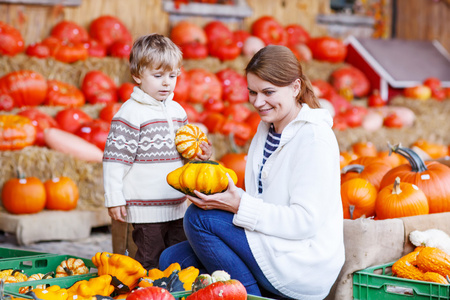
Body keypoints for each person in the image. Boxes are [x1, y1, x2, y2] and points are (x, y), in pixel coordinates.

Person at [159, 45, 345, 299]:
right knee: (172, 259)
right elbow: (262, 196)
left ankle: (251, 295)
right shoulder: (267, 128)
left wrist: (239, 206)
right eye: (252, 92)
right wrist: (209, 166)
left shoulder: (314, 138)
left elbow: (304, 221)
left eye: (268, 92)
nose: (258, 102)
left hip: (301, 260)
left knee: (198, 219)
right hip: (272, 240)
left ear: (295, 88)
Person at [102, 33, 212, 270]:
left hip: (178, 205)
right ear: (137, 75)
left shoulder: (177, 111)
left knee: (177, 263)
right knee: (148, 261)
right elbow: (114, 161)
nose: (166, 83)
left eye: (172, 76)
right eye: (158, 75)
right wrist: (114, 198)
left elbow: (184, 151)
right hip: (146, 210)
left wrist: (199, 156)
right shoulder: (130, 114)